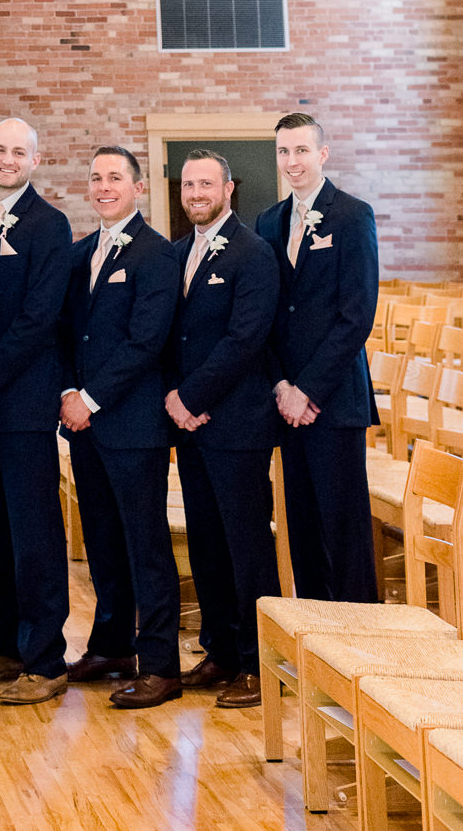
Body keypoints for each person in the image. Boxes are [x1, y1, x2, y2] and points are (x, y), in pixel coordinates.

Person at [58, 145, 182, 708]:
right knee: (104, 541)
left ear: (137, 188)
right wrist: (66, 392)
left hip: (133, 425)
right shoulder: (81, 251)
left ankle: (160, 663)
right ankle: (112, 645)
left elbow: (145, 341)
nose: (104, 186)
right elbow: (64, 334)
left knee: (145, 543)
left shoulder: (157, 254)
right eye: (96, 178)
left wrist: (90, 397)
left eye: (115, 178)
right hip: (84, 425)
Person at [0, 117, 73, 703]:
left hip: (22, 399)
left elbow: (39, 317)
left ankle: (46, 659)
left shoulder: (50, 225)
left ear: (34, 159)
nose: (6, 159)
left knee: (34, 531)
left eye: (17, 152)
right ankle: (0, 644)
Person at [166, 150, 281, 710]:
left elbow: (245, 340)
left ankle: (262, 666)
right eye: (188, 185)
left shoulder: (255, 253)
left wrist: (191, 397)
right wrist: (179, 403)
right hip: (191, 426)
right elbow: (172, 336)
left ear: (228, 188)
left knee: (246, 545)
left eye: (206, 184)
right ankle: (220, 650)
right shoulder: (176, 252)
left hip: (236, 423)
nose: (196, 194)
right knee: (207, 544)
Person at [255, 111, 379, 602]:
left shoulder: (352, 214)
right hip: (287, 402)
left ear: (322, 154)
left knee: (343, 529)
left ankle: (360, 642)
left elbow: (357, 316)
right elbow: (266, 313)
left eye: (302, 150)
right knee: (302, 528)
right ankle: (314, 637)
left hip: (333, 401)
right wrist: (282, 386)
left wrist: (307, 389)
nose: (292, 161)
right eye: (284, 151)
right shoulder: (269, 220)